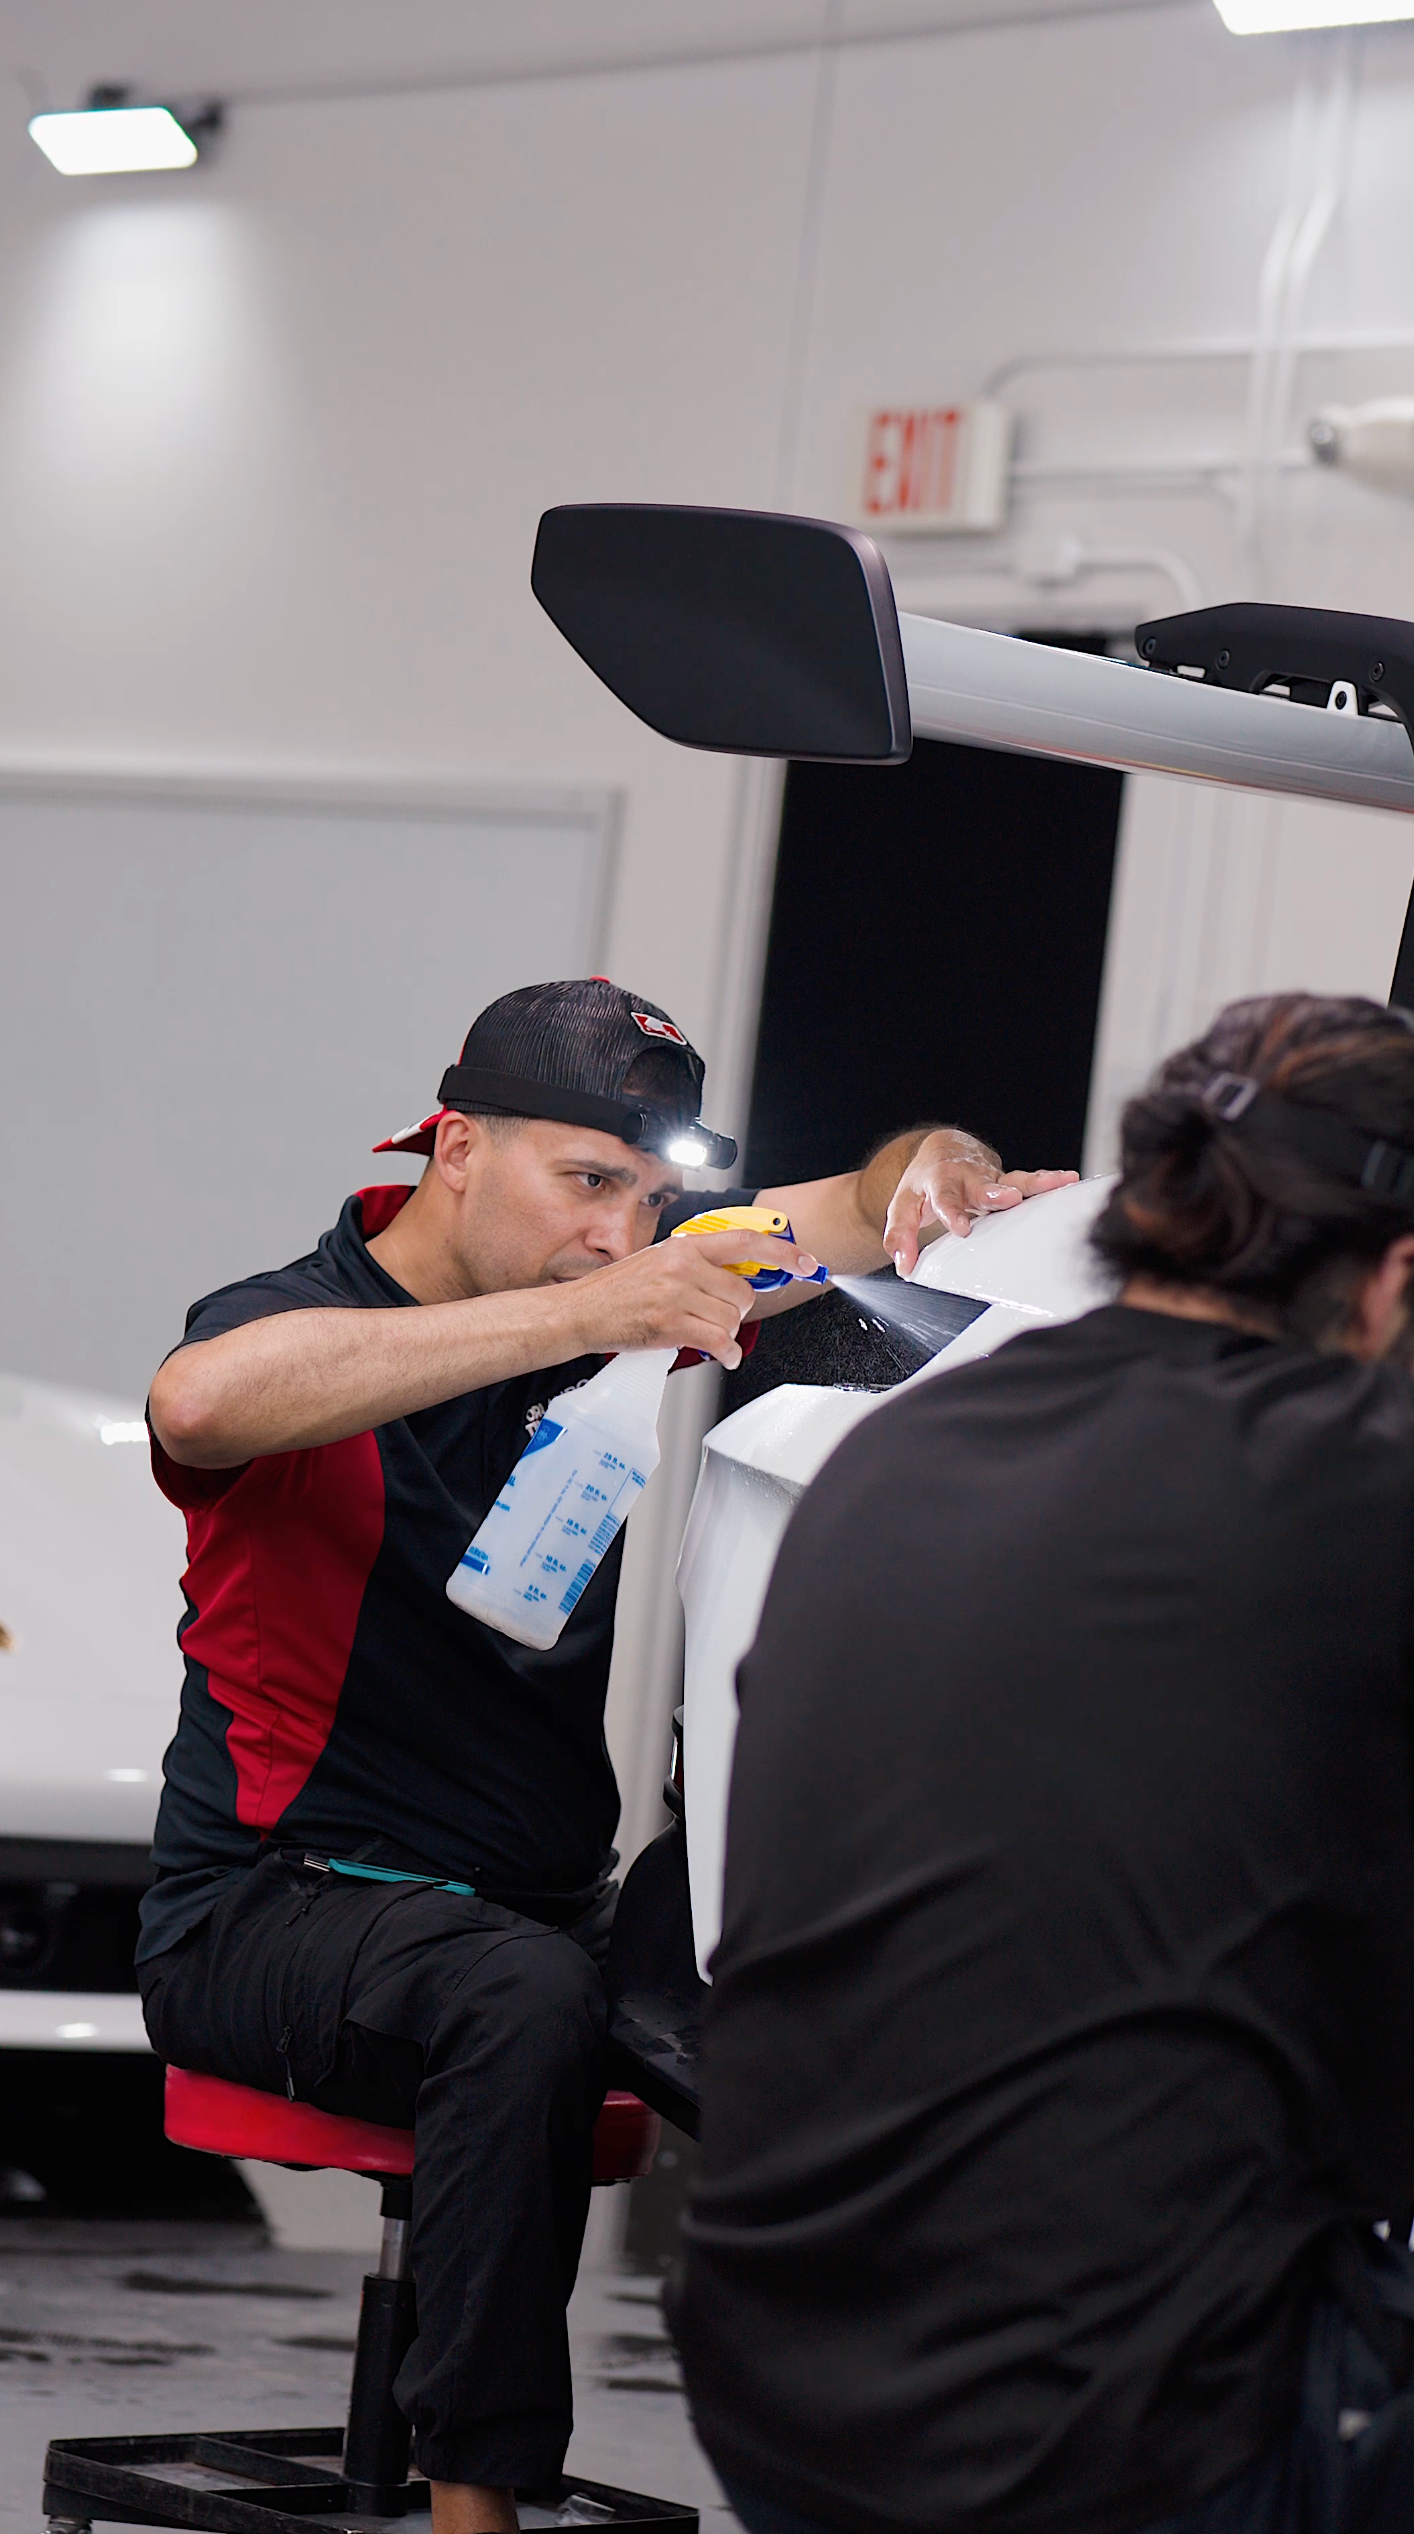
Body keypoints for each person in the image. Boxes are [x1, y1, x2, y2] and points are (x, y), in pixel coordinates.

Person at [136, 975, 1072, 2534]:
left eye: (652, 1200)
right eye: (586, 1183)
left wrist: (940, 1171)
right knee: (523, 1995)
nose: (620, 1233)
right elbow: (202, 1400)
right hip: (267, 1910)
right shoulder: (298, 1320)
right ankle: (474, 2506)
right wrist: (602, 1310)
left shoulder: (620, 1284)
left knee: (803, 1962)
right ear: (452, 1148)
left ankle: (947, 2470)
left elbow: (855, 1197)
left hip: (531, 1910)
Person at [671, 990, 1414, 2534]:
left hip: (776, 2389)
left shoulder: (893, 1449)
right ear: (1392, 1269)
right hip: (1125, 2435)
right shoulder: (1350, 1481)